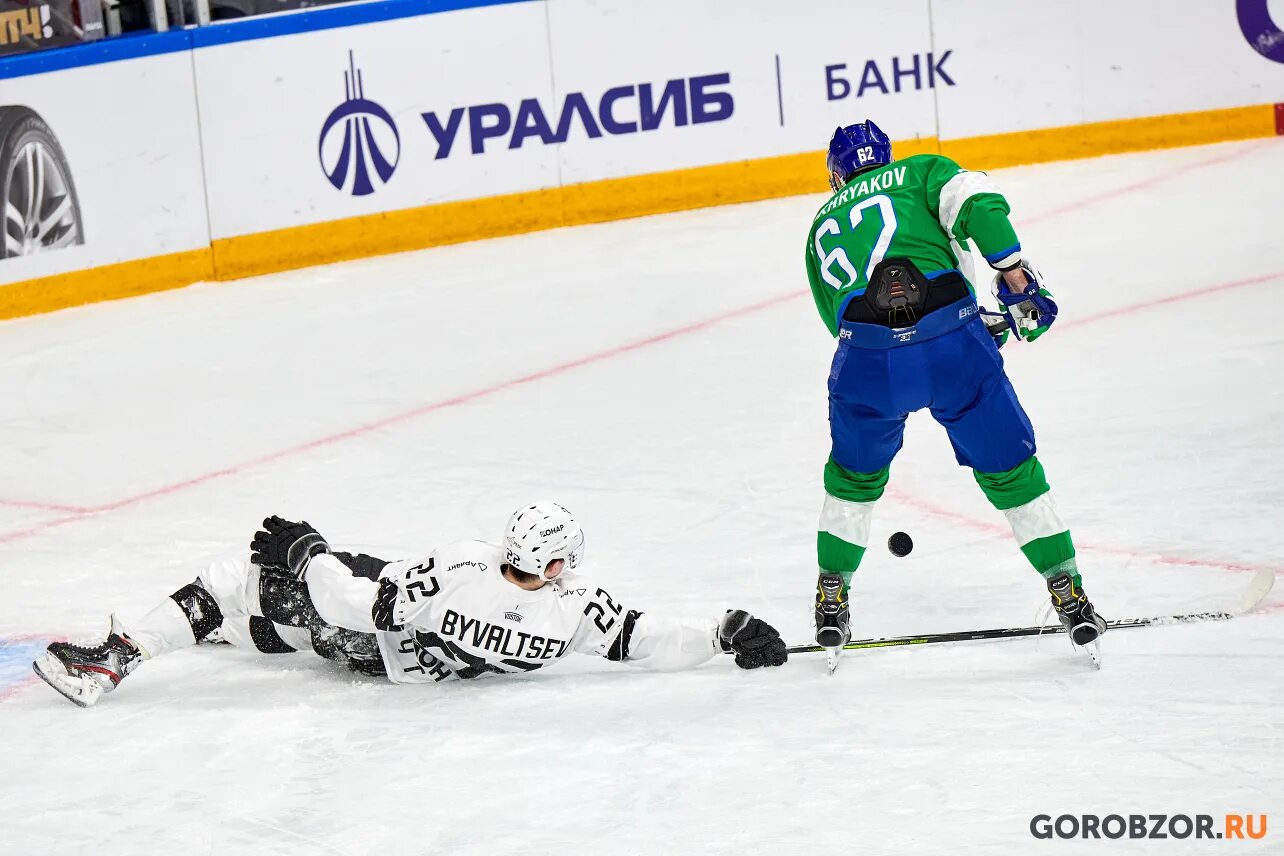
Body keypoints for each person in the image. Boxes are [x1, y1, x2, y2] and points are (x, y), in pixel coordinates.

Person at [804, 120, 1107, 669]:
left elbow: (844, 321)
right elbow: (984, 209)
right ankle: (1067, 590)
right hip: (954, 352)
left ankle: (832, 597)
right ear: (885, 156)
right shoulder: (921, 171)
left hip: (868, 367)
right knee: (1011, 469)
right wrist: (1013, 282)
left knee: (852, 478)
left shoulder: (821, 223)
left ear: (836, 174)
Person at [33, 501, 787, 707]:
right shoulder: (575, 614)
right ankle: (182, 638)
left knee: (233, 580)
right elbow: (647, 640)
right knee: (254, 627)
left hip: (371, 632)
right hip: (398, 670)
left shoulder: (460, 570)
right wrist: (725, 632)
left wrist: (311, 554)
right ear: (555, 564)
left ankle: (113, 661)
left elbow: (359, 607)